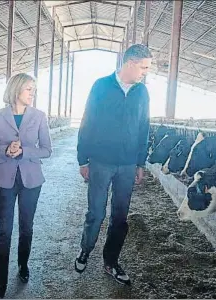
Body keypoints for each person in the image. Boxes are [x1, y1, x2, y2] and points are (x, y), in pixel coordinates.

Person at [74, 44, 152, 285]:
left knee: (120, 217)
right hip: (100, 161)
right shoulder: (101, 86)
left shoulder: (142, 92)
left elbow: (144, 127)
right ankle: (86, 249)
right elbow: (87, 120)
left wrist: (140, 163)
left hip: (127, 165)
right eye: (143, 67)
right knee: (95, 213)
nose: (145, 73)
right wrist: (82, 158)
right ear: (130, 63)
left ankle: (111, 261)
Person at [0, 73, 52, 299]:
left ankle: (23, 265)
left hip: (31, 179)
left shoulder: (39, 116)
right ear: (15, 90)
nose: (32, 93)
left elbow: (46, 149)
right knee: (4, 231)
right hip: (4, 178)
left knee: (26, 227)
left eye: (34, 89)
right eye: (28, 89)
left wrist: (24, 151)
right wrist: (5, 149)